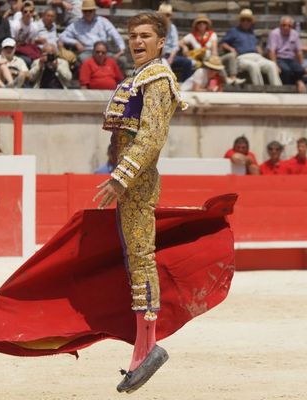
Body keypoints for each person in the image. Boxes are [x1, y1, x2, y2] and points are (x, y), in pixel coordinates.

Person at [93, 11, 188, 393]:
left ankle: (146, 348)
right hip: (129, 180)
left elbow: (151, 137)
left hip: (137, 181)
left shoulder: (159, 79)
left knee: (141, 258)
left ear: (161, 41)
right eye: (133, 35)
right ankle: (141, 346)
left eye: (145, 35)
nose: (137, 41)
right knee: (135, 258)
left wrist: (121, 177)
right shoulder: (138, 78)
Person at [219, 9, 281, 86]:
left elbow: (257, 44)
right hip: (242, 57)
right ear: (240, 21)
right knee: (253, 66)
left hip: (257, 57)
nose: (245, 22)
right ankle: (260, 89)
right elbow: (222, 43)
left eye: (248, 20)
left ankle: (277, 89)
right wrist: (231, 49)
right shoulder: (234, 31)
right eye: (243, 20)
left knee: (271, 65)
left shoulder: (252, 32)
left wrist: (259, 50)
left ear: (251, 22)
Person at [59, 0, 126, 67]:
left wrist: (121, 49)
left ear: (94, 11)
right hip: (88, 52)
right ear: (82, 12)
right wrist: (76, 42)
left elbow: (115, 34)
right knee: (82, 59)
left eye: (90, 11)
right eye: (85, 11)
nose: (88, 13)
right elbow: (62, 36)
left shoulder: (103, 21)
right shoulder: (76, 25)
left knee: (122, 60)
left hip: (103, 51)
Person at [267, 16, 305, 93]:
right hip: (279, 57)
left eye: (289, 26)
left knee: (300, 70)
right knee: (286, 71)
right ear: (280, 25)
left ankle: (298, 83)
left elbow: (299, 51)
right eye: (284, 25)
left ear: (292, 26)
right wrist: (275, 65)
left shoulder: (295, 34)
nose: (286, 27)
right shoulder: (274, 33)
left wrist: (302, 64)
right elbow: (271, 51)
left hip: (290, 58)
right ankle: (288, 89)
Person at [157, 2, 192, 82]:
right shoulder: (155, 27)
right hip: (157, 56)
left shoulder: (172, 28)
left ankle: (183, 84)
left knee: (187, 62)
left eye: (168, 15)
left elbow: (175, 45)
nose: (166, 17)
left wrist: (171, 58)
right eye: (165, 15)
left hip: (170, 55)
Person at [10, 0, 40, 65]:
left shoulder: (34, 27)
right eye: (25, 11)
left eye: (31, 11)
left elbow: (32, 43)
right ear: (21, 13)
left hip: (27, 49)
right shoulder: (15, 25)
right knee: (28, 61)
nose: (28, 13)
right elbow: (12, 41)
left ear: (33, 13)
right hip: (16, 50)